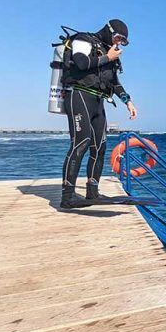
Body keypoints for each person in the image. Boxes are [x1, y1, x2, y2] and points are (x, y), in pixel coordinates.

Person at [59, 19, 138, 209]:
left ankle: (92, 192)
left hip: (98, 101)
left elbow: (114, 82)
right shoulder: (84, 39)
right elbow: (80, 62)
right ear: (109, 31)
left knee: (100, 146)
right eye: (118, 38)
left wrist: (128, 101)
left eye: (123, 41)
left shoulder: (110, 52)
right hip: (79, 96)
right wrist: (107, 58)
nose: (118, 43)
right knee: (81, 143)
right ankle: (67, 196)